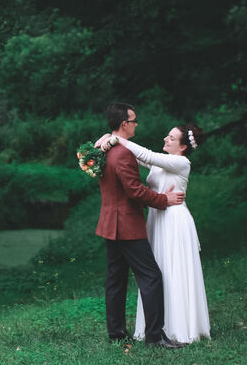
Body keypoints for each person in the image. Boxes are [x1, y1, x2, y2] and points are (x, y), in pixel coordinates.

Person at [100, 123, 211, 344]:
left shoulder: (181, 162)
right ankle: (157, 326)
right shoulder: (162, 160)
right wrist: (108, 138)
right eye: (167, 135)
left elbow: (145, 155)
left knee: (174, 271)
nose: (165, 139)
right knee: (157, 271)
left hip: (174, 220)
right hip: (157, 218)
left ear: (182, 147)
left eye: (171, 138)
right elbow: (137, 157)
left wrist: (116, 138)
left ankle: (180, 326)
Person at [90, 103, 186, 349]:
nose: (136, 124)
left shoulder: (103, 150)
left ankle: (117, 334)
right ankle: (154, 337)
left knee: (116, 279)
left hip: (109, 223)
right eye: (134, 121)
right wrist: (164, 200)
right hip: (126, 225)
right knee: (151, 277)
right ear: (124, 124)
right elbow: (135, 191)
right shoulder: (122, 154)